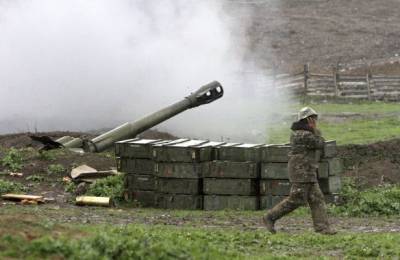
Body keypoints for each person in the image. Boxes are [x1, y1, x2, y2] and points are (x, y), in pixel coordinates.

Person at [263, 107, 336, 235]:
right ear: (308, 119)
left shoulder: (302, 132)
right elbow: (320, 143)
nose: (316, 121)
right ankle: (270, 217)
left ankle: (322, 228)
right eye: (313, 119)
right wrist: (315, 130)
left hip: (307, 171)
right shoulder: (304, 134)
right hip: (301, 171)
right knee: (296, 199)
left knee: (316, 198)